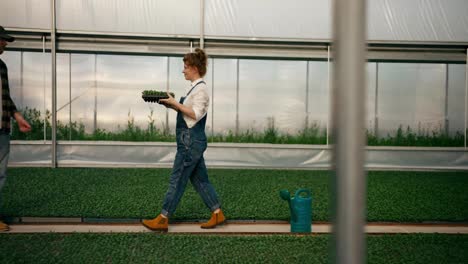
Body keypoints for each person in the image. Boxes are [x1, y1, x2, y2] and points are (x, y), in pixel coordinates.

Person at [142, 48, 225, 232]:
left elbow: (195, 114)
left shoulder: (201, 89)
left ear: (195, 68)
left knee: (177, 179)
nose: (183, 70)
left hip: (190, 142)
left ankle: (163, 218)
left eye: (186, 67)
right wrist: (170, 103)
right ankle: (217, 212)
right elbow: (186, 113)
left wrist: (175, 103)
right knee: (200, 180)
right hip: (189, 140)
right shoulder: (193, 88)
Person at [0, 26, 32, 232]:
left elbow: (6, 98)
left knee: (0, 174)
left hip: (2, 128)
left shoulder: (2, 67)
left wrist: (18, 116)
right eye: (2, 40)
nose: (5, 44)